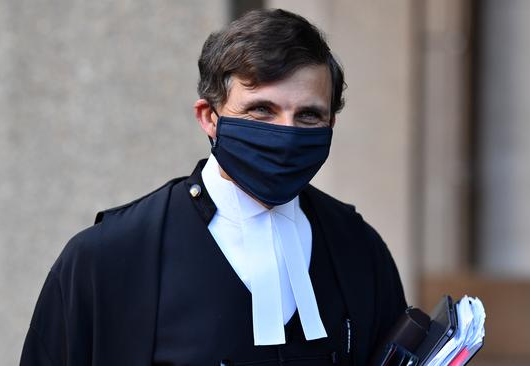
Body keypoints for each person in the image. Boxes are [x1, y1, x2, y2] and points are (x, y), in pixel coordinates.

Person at [20, 8, 406, 366]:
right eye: (261, 110)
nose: (286, 134)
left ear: (330, 126)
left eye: (308, 115)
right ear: (209, 117)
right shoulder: (105, 259)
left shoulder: (359, 249)